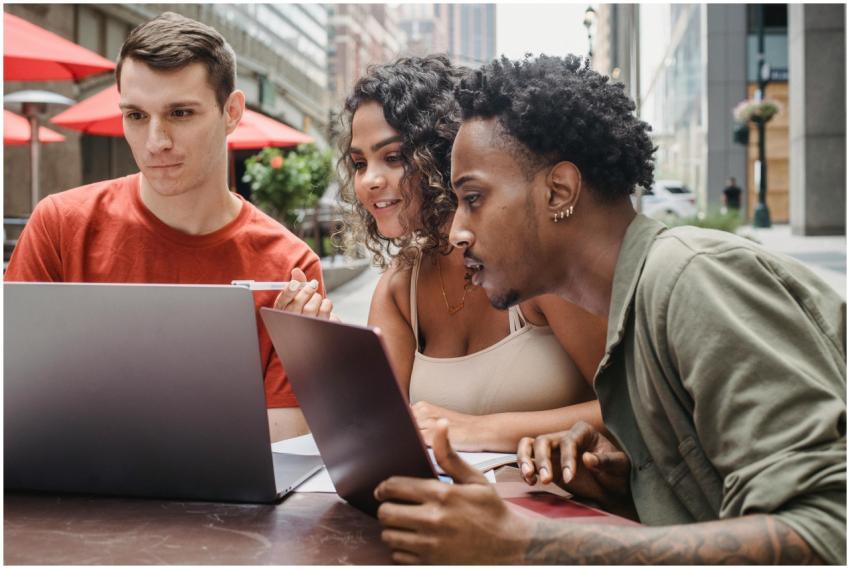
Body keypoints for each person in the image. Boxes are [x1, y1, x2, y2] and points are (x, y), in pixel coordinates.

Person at [373, 54, 846, 564]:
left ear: (559, 191)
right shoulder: (632, 321)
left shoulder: (689, 278)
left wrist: (531, 543)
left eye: (473, 197)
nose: (458, 229)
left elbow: (827, 535)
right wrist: (631, 491)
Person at [4, 12, 323, 442]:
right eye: (136, 116)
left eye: (180, 113)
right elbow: (14, 396)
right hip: (67, 501)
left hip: (221, 508)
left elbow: (287, 439)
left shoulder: (291, 266)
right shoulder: (60, 225)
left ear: (232, 112)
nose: (157, 141)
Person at [275, 55, 608, 453]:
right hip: (447, 508)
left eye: (393, 157)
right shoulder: (400, 287)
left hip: (559, 508)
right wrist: (315, 353)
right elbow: (373, 433)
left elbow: (634, 409)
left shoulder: (535, 266)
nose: (369, 181)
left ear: (446, 151)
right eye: (359, 163)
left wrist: (478, 430)